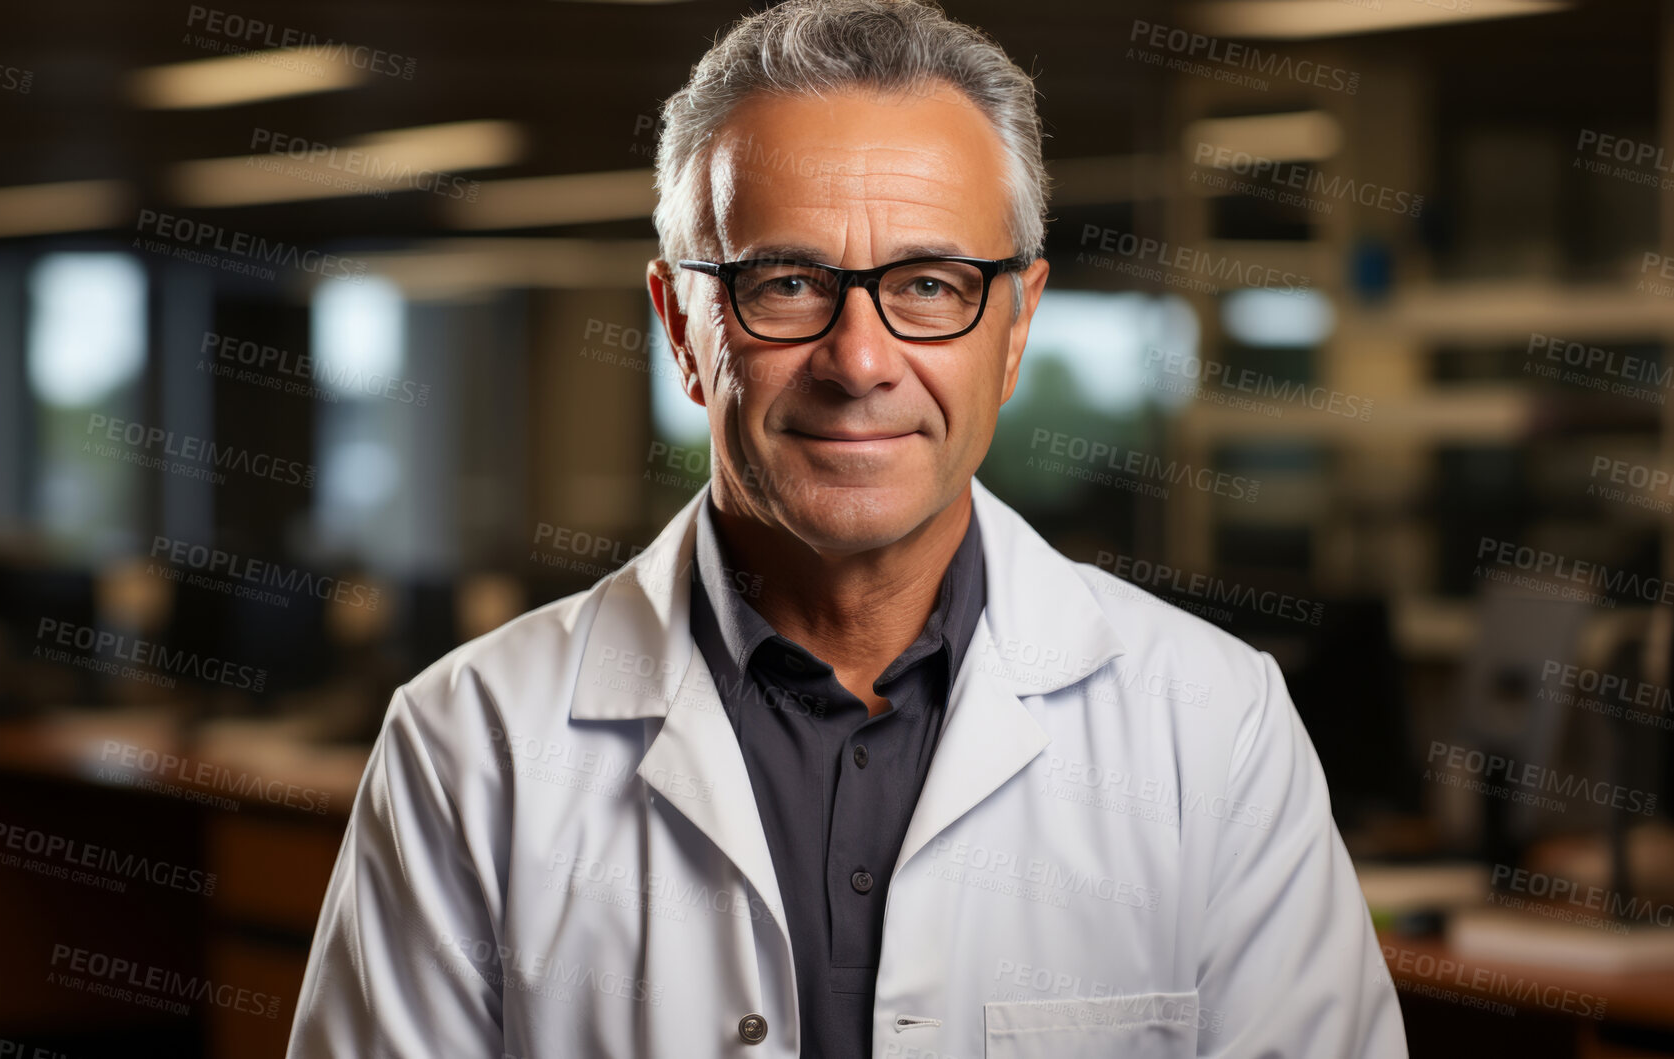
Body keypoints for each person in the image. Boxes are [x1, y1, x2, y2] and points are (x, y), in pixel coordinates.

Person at [286, 1, 1408, 1055]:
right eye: (783, 283)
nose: (859, 362)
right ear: (682, 325)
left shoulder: (1212, 727)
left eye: (928, 284)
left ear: (1013, 328)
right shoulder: (468, 745)